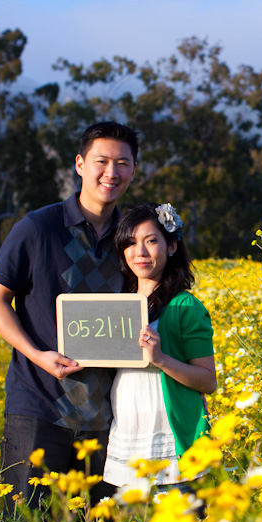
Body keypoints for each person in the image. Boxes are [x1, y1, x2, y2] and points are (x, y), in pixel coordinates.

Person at [0, 121, 139, 519]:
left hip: (107, 418)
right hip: (39, 406)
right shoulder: (38, 228)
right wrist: (37, 355)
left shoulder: (133, 238)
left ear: (133, 170)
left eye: (122, 163)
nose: (112, 172)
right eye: (102, 161)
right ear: (80, 164)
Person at [102, 202, 217, 492]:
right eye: (130, 243)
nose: (139, 252)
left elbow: (208, 380)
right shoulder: (116, 306)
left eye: (151, 241)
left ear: (172, 246)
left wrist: (161, 359)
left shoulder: (185, 307)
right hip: (127, 438)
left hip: (172, 442)